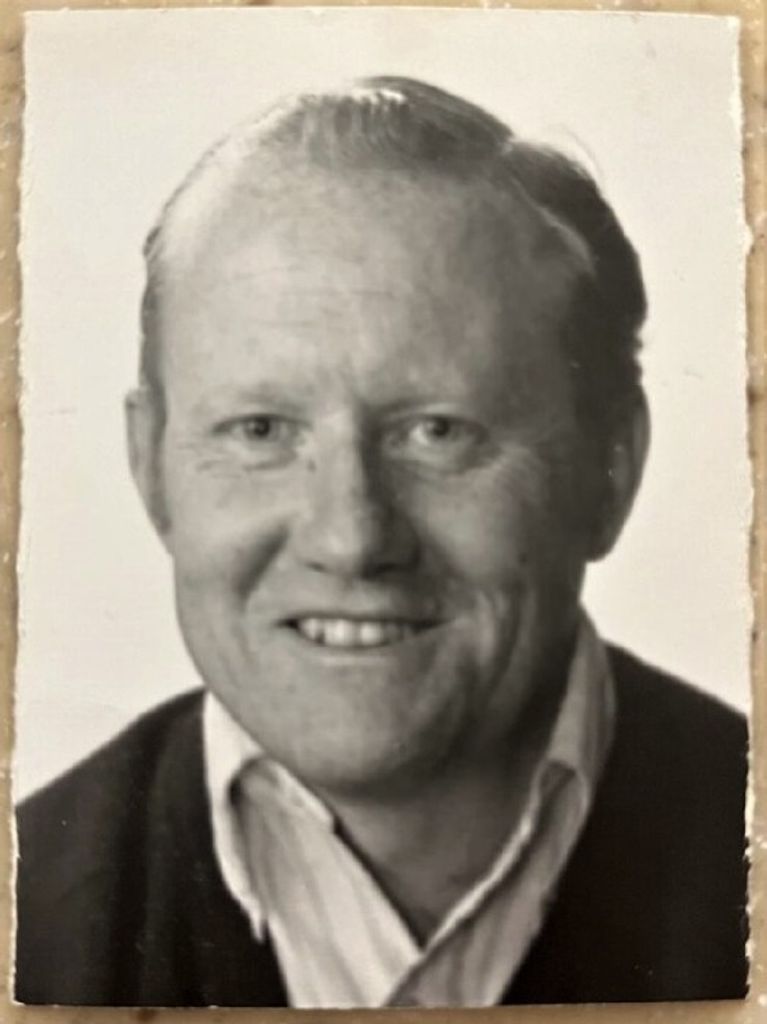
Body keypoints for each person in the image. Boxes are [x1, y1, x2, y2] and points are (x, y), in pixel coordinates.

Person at [15, 77, 748, 1008]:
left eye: (437, 432)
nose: (351, 537)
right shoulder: (26, 922)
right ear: (150, 466)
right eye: (260, 431)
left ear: (611, 468)